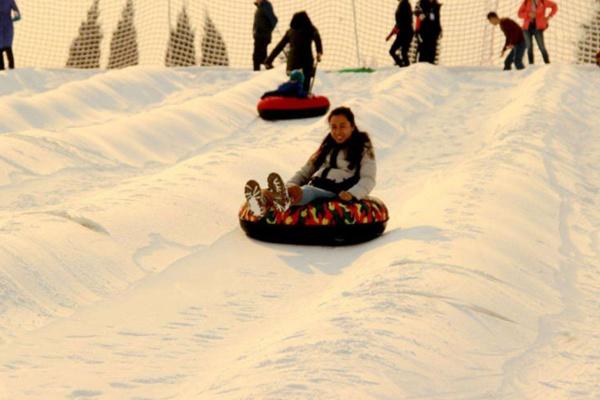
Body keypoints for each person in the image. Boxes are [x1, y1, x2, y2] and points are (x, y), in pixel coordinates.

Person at [244, 106, 376, 217]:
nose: (338, 131)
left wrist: (352, 194)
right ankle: (265, 198)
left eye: (343, 126)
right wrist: (289, 185)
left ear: (352, 126)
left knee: (308, 191)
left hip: (337, 191)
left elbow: (368, 178)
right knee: (304, 189)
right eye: (333, 127)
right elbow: (305, 172)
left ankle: (282, 197)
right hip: (316, 184)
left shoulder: (362, 149)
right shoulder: (327, 147)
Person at [264, 11, 323, 93]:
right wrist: (319, 52)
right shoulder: (311, 29)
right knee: (305, 85)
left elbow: (279, 46)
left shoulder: (290, 31)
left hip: (292, 65)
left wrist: (269, 60)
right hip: (306, 64)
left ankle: (292, 99)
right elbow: (318, 40)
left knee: (294, 85)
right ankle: (304, 98)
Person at [517, 0, 557, 65]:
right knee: (529, 47)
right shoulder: (526, 2)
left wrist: (549, 16)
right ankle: (531, 64)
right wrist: (528, 14)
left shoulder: (543, 1)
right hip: (526, 28)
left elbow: (554, 6)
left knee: (542, 47)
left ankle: (547, 63)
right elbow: (519, 14)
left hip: (538, 28)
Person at [386, 0, 414, 67]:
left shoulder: (404, 5)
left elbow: (402, 22)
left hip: (405, 33)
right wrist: (390, 35)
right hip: (404, 32)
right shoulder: (402, 5)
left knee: (400, 52)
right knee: (399, 52)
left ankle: (404, 67)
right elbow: (398, 23)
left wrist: (392, 34)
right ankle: (403, 66)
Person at [253, 0, 278, 71]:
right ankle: (267, 70)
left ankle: (256, 72)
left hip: (263, 36)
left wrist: (267, 30)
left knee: (257, 56)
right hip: (258, 35)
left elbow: (274, 19)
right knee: (262, 57)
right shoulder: (259, 7)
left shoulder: (266, 5)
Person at [0, 0, 20, 71]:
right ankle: (11, 68)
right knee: (8, 47)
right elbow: (18, 16)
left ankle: (1, 69)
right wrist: (11, 20)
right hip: (8, 26)